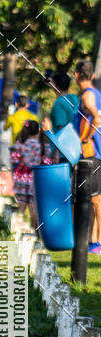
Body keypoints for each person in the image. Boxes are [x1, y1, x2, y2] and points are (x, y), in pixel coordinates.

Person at [74, 60, 101, 253]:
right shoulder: (97, 94)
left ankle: (97, 242)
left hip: (94, 152)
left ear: (76, 76)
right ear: (91, 76)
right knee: (93, 199)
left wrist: (85, 139)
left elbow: (96, 118)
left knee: (96, 201)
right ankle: (92, 241)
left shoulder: (88, 95)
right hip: (96, 152)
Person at [11, 120, 51, 229]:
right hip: (36, 177)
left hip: (21, 176)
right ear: (39, 130)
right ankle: (35, 229)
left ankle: (17, 228)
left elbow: (14, 158)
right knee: (34, 204)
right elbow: (47, 161)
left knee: (22, 201)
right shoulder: (43, 144)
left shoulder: (21, 143)